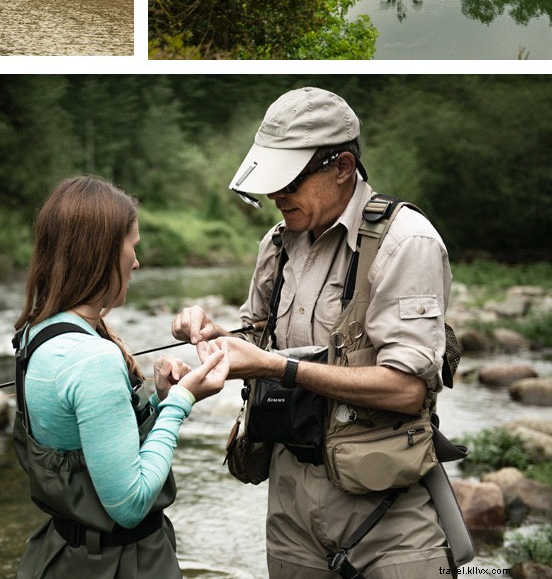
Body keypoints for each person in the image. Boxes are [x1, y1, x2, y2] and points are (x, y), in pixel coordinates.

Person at [172, 87, 454, 579]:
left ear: (342, 166)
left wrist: (277, 367)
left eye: (291, 180)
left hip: (385, 512)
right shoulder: (275, 244)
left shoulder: (407, 242)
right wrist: (213, 336)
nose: (276, 194)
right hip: (288, 508)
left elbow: (408, 389)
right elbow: (258, 343)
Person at [13, 175, 231, 578]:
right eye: (132, 247)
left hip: (60, 556)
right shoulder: (92, 358)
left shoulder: (35, 333)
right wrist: (182, 402)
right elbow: (129, 504)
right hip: (118, 564)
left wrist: (158, 401)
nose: (136, 262)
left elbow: (80, 440)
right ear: (102, 253)